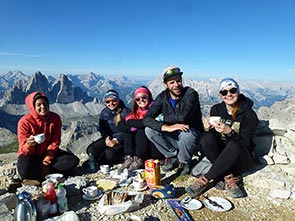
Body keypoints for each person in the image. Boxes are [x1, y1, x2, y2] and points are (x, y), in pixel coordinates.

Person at [186, 78, 259, 198]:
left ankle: (206, 179)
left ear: (238, 92)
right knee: (206, 138)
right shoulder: (216, 109)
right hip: (221, 156)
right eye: (224, 92)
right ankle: (228, 176)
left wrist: (230, 132)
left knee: (234, 144)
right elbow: (212, 138)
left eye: (233, 91)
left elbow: (246, 144)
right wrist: (207, 128)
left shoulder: (249, 114)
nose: (229, 94)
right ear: (221, 95)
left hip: (242, 159)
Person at [143, 65, 204, 176]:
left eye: (178, 81)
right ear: (165, 84)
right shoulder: (162, 97)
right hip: (174, 134)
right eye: (172, 82)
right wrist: (166, 127)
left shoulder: (191, 94)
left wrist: (162, 118)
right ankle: (172, 157)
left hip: (191, 136)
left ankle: (184, 162)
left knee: (187, 135)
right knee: (149, 130)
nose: (176, 85)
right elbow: (146, 119)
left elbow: (182, 117)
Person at [17, 92, 80, 184]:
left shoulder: (55, 118)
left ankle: (38, 176)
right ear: (33, 107)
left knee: (73, 160)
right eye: (39, 105)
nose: (43, 107)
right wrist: (29, 145)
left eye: (45, 104)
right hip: (31, 156)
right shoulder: (25, 122)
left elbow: (55, 142)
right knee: (24, 168)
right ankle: (50, 175)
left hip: (48, 154)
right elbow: (24, 149)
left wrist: (46, 162)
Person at [117, 86, 164, 172]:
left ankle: (140, 159)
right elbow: (121, 124)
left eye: (144, 97)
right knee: (128, 130)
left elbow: (146, 122)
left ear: (149, 97)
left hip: (154, 148)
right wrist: (131, 128)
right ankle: (130, 157)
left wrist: (131, 124)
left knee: (142, 130)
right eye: (137, 99)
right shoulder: (136, 112)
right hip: (141, 147)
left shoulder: (156, 109)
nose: (141, 100)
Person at [85, 89, 131, 170]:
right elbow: (102, 128)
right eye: (108, 101)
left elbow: (130, 131)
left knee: (108, 155)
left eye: (114, 100)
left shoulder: (126, 112)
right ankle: (95, 160)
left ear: (118, 99)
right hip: (109, 138)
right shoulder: (104, 112)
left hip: (122, 141)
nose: (111, 103)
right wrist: (106, 137)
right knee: (91, 149)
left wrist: (117, 140)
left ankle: (98, 161)